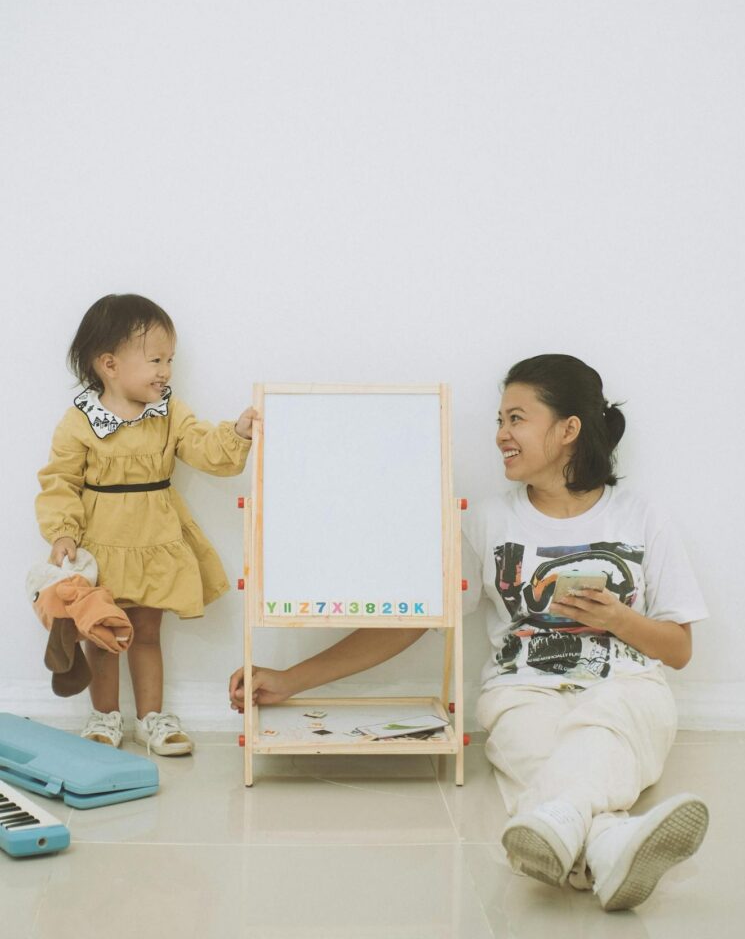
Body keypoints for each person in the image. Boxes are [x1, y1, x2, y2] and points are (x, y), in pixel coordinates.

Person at [230, 354, 710, 912]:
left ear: (568, 430)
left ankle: (579, 833)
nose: (500, 435)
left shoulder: (640, 515)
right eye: (499, 421)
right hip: (521, 692)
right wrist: (291, 680)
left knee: (600, 726)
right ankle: (609, 842)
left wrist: (617, 618)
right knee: (536, 743)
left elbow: (678, 650)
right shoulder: (486, 522)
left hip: (626, 685)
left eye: (516, 419)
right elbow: (414, 625)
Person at [37, 293, 256, 756]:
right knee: (102, 633)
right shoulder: (80, 422)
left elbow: (201, 447)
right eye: (155, 359)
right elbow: (59, 480)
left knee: (148, 632)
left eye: (170, 360)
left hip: (156, 536)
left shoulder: (170, 412)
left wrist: (234, 434)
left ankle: (153, 718)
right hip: (102, 542)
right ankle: (105, 716)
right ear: (109, 364)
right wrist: (62, 531)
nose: (166, 370)